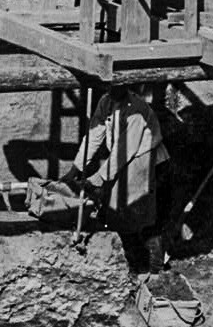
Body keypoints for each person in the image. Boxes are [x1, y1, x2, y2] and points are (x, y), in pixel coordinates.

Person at [62, 85, 170, 274]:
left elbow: (124, 150)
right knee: (121, 213)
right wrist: (75, 169)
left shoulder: (136, 110)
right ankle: (134, 264)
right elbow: (94, 136)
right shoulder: (106, 102)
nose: (113, 91)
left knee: (143, 217)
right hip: (127, 159)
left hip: (148, 160)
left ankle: (155, 270)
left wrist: (99, 177)